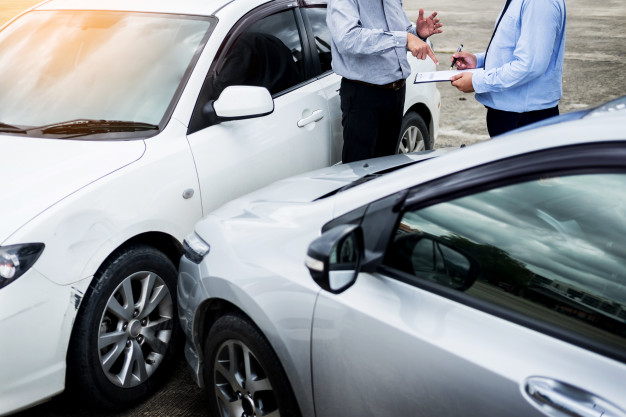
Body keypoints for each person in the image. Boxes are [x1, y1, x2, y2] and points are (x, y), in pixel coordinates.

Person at [327, 1, 442, 163]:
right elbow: (348, 39)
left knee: (386, 164)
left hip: (396, 92)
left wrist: (417, 33)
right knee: (360, 170)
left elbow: (401, 32)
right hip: (364, 96)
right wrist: (405, 38)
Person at [450, 0, 566, 137]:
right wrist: (479, 61)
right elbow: (512, 49)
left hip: (526, 119)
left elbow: (530, 66)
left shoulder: (539, 3)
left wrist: (477, 82)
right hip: (513, 115)